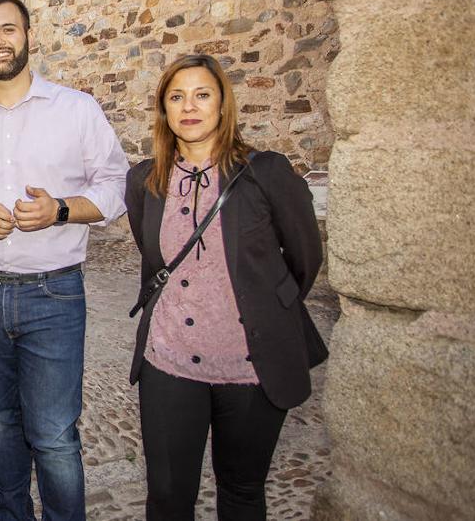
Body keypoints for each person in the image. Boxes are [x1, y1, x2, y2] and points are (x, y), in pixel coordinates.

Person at [0, 0, 129, 521]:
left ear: (29, 36)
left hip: (53, 293)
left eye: (8, 29)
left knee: (54, 434)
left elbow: (115, 188)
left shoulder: (77, 110)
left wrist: (61, 209)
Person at [124, 54, 326, 520]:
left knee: (241, 492)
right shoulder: (144, 180)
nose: (188, 107)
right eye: (176, 97)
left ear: (222, 105)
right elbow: (153, 256)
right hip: (170, 360)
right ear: (164, 109)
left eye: (201, 95)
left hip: (249, 367)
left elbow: (304, 261)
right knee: (169, 496)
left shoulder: (266, 173)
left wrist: (260, 308)